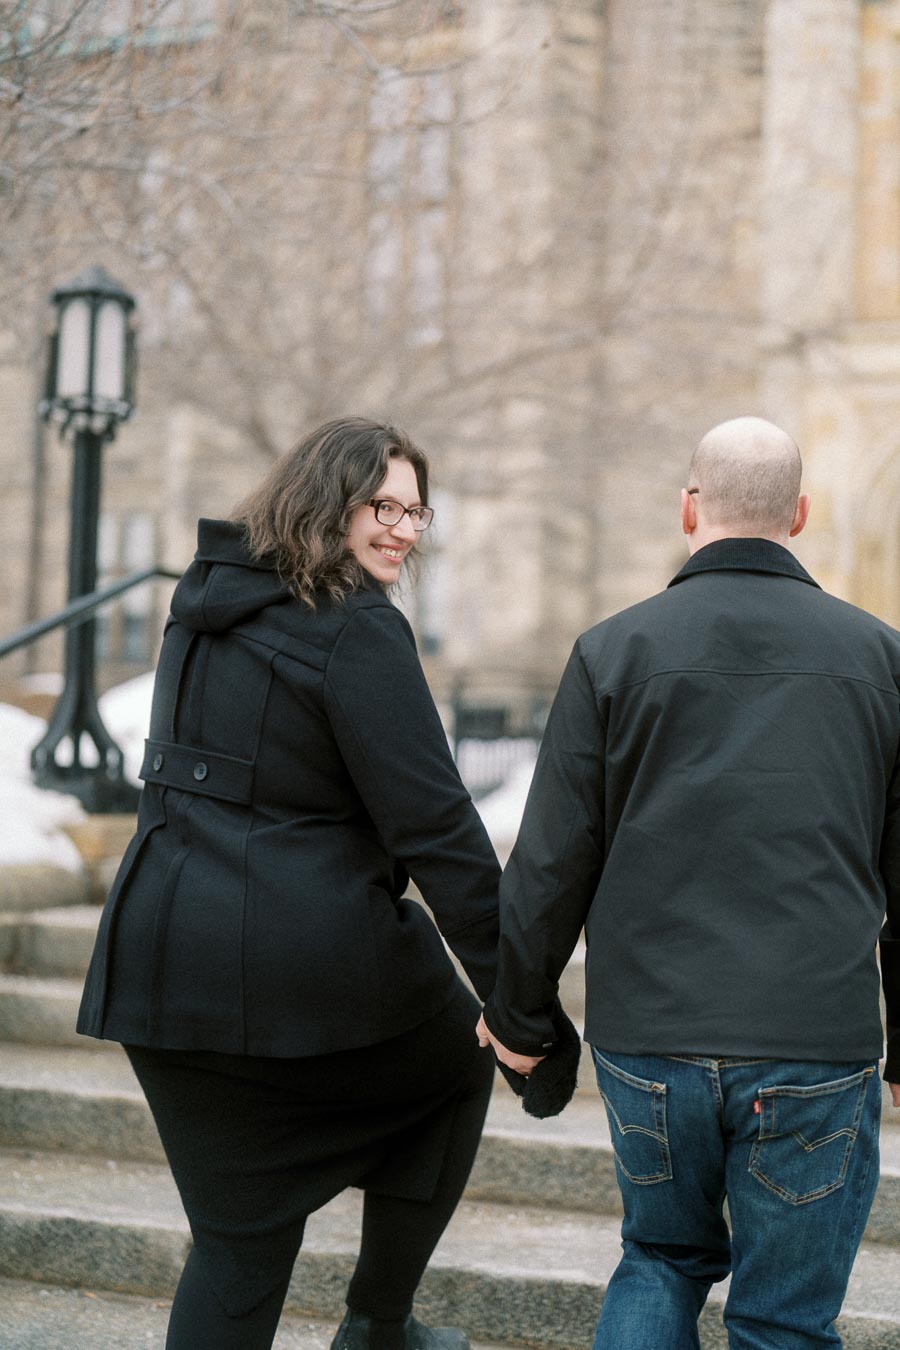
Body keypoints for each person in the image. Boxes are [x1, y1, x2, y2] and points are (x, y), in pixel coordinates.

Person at [77, 417, 503, 1350]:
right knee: (461, 1057)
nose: (401, 529)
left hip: (156, 961)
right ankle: (378, 1327)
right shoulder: (356, 630)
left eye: (414, 509)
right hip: (288, 963)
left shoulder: (203, 606)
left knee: (238, 1243)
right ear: (327, 502)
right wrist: (520, 999)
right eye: (379, 506)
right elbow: (435, 825)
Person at [476, 416, 900, 1349]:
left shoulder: (611, 652)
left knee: (659, 1261)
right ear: (799, 513)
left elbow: (550, 863)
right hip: (814, 1043)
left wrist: (518, 1017)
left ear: (687, 508)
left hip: (652, 1038)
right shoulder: (881, 659)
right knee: (785, 1321)